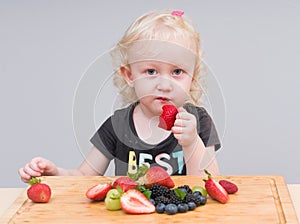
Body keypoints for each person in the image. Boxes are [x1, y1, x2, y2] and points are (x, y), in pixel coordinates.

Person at [19, 10, 221, 183]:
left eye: (177, 72)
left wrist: (192, 142)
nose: (164, 85)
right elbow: (83, 176)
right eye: (151, 71)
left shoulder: (199, 122)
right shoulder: (117, 125)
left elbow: (209, 183)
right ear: (129, 76)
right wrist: (55, 174)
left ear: (192, 78)